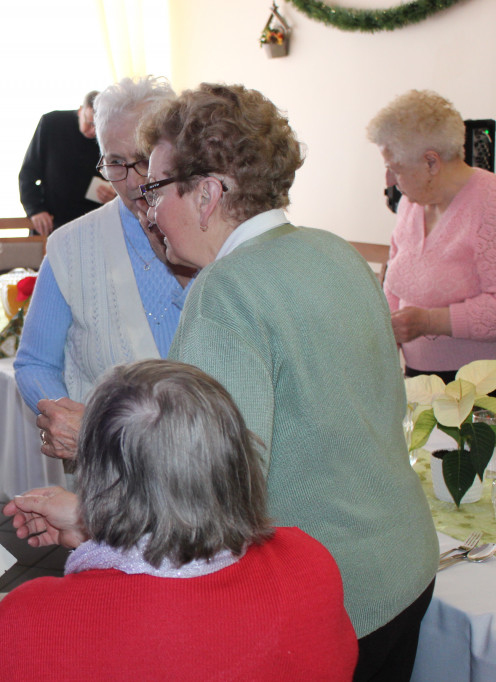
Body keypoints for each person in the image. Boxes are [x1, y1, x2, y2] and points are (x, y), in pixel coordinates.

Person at [133, 83, 435, 680]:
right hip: (406, 561)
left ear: (207, 193)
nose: (147, 211)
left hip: (329, 595)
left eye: (155, 189)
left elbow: (213, 490)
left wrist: (100, 514)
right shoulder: (334, 251)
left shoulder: (226, 289)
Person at [0, 360, 357, 681]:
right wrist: (98, 529)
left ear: (95, 478)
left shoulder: (35, 621)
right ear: (234, 458)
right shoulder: (310, 562)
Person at [14, 76, 193, 461]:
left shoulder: (206, 232)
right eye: (115, 162)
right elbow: (35, 363)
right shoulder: (70, 245)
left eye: (145, 160)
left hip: (205, 467)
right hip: (111, 470)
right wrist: (76, 421)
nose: (131, 183)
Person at [367, 89, 496, 383]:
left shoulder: (490, 203)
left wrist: (428, 321)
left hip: (478, 388)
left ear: (431, 163)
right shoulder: (411, 204)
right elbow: (395, 284)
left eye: (394, 169)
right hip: (417, 378)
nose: (388, 181)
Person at [18, 90, 109, 236]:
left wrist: (113, 194)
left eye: (98, 127)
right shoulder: (51, 123)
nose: (92, 131)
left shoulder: (109, 134)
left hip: (92, 225)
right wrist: (35, 210)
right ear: (81, 110)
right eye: (90, 123)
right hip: (52, 222)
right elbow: (28, 174)